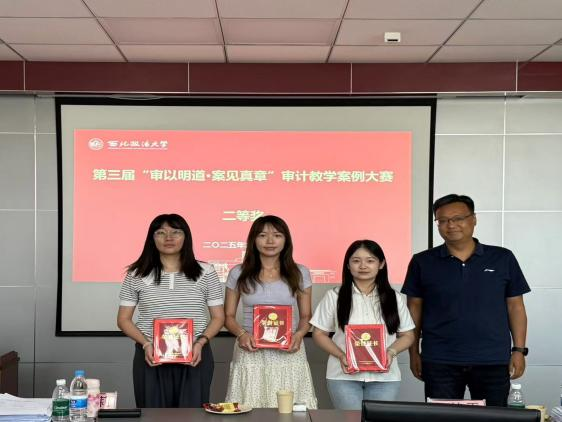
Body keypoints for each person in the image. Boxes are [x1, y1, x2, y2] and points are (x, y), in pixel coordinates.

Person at [401, 194, 530, 407]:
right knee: (442, 419)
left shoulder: (502, 258)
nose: (451, 225)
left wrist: (519, 350)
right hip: (440, 360)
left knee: (493, 419)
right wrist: (413, 352)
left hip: (492, 359)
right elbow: (414, 309)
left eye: (458, 218)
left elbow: (515, 306)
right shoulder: (422, 262)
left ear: (474, 219)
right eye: (443, 220)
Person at [117, 214, 224, 408]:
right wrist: (146, 344)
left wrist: (200, 343)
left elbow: (218, 317)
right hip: (150, 356)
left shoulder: (206, 271)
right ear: (152, 238)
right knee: (152, 415)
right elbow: (123, 319)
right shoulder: (136, 273)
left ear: (186, 237)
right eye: (161, 233)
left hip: (195, 355)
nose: (169, 238)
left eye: (176, 232)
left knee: (193, 415)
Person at [224, 215, 318, 408]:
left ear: (286, 240)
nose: (270, 241)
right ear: (253, 240)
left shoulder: (300, 272)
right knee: (249, 406)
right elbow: (228, 316)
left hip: (289, 349)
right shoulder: (238, 272)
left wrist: (299, 335)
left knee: (289, 409)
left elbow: (306, 316)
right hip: (250, 350)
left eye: (277, 235)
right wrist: (241, 334)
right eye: (262, 235)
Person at [310, 240, 415, 410]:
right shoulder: (334, 296)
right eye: (356, 261)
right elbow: (319, 334)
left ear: (381, 264)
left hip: (385, 378)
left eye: (370, 260)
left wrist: (391, 352)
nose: (363, 266)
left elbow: (408, 335)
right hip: (343, 376)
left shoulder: (394, 297)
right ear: (348, 265)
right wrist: (341, 355)